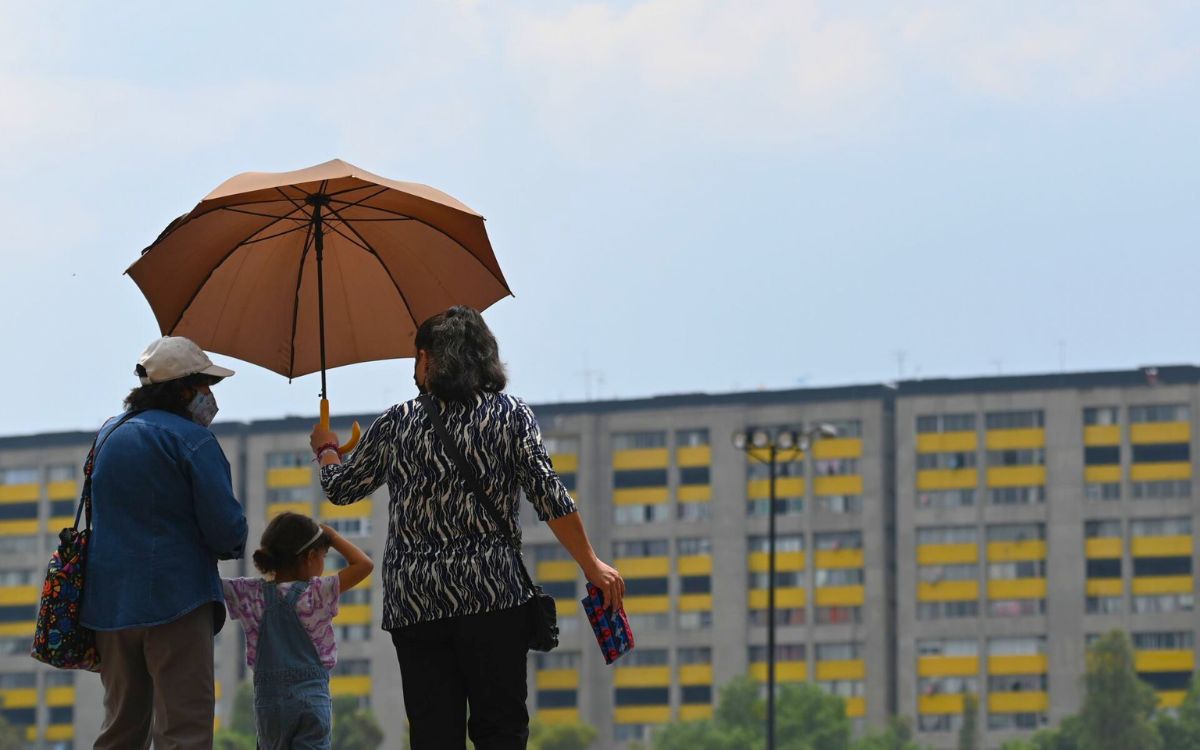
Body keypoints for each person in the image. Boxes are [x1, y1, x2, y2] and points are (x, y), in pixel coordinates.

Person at [311, 305, 624, 750]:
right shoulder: (511, 415)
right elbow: (550, 496)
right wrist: (591, 565)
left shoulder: (398, 422)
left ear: (426, 359)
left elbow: (341, 489)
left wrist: (326, 449)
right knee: (501, 731)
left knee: (434, 735)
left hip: (416, 603)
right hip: (495, 598)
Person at [81, 336, 249, 750]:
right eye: (205, 386)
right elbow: (227, 531)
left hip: (110, 609)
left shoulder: (108, 435)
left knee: (120, 730)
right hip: (176, 604)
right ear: (183, 389)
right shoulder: (192, 440)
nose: (209, 397)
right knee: (184, 731)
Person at [221, 512, 373, 750]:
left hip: (269, 707)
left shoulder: (249, 593)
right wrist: (331, 535)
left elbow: (210, 581)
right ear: (310, 557)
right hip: (311, 701)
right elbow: (364, 565)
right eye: (323, 556)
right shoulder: (317, 592)